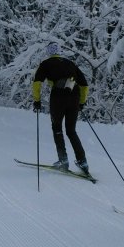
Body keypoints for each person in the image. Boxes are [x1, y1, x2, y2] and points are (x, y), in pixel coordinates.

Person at [32, 42, 90, 173]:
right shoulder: (70, 63)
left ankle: (63, 160)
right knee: (71, 130)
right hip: (74, 95)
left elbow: (37, 83)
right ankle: (83, 162)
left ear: (48, 52)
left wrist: (37, 100)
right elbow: (85, 85)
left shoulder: (46, 64)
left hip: (58, 97)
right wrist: (81, 102)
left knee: (57, 127)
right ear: (60, 51)